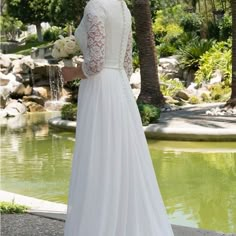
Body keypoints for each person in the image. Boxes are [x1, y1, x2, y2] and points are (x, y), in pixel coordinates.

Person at [63, 0, 174, 235]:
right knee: (123, 157)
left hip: (99, 90)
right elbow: (126, 63)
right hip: (119, 87)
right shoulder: (123, 8)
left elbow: (95, 64)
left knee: (98, 157)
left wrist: (71, 72)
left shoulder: (95, 7)